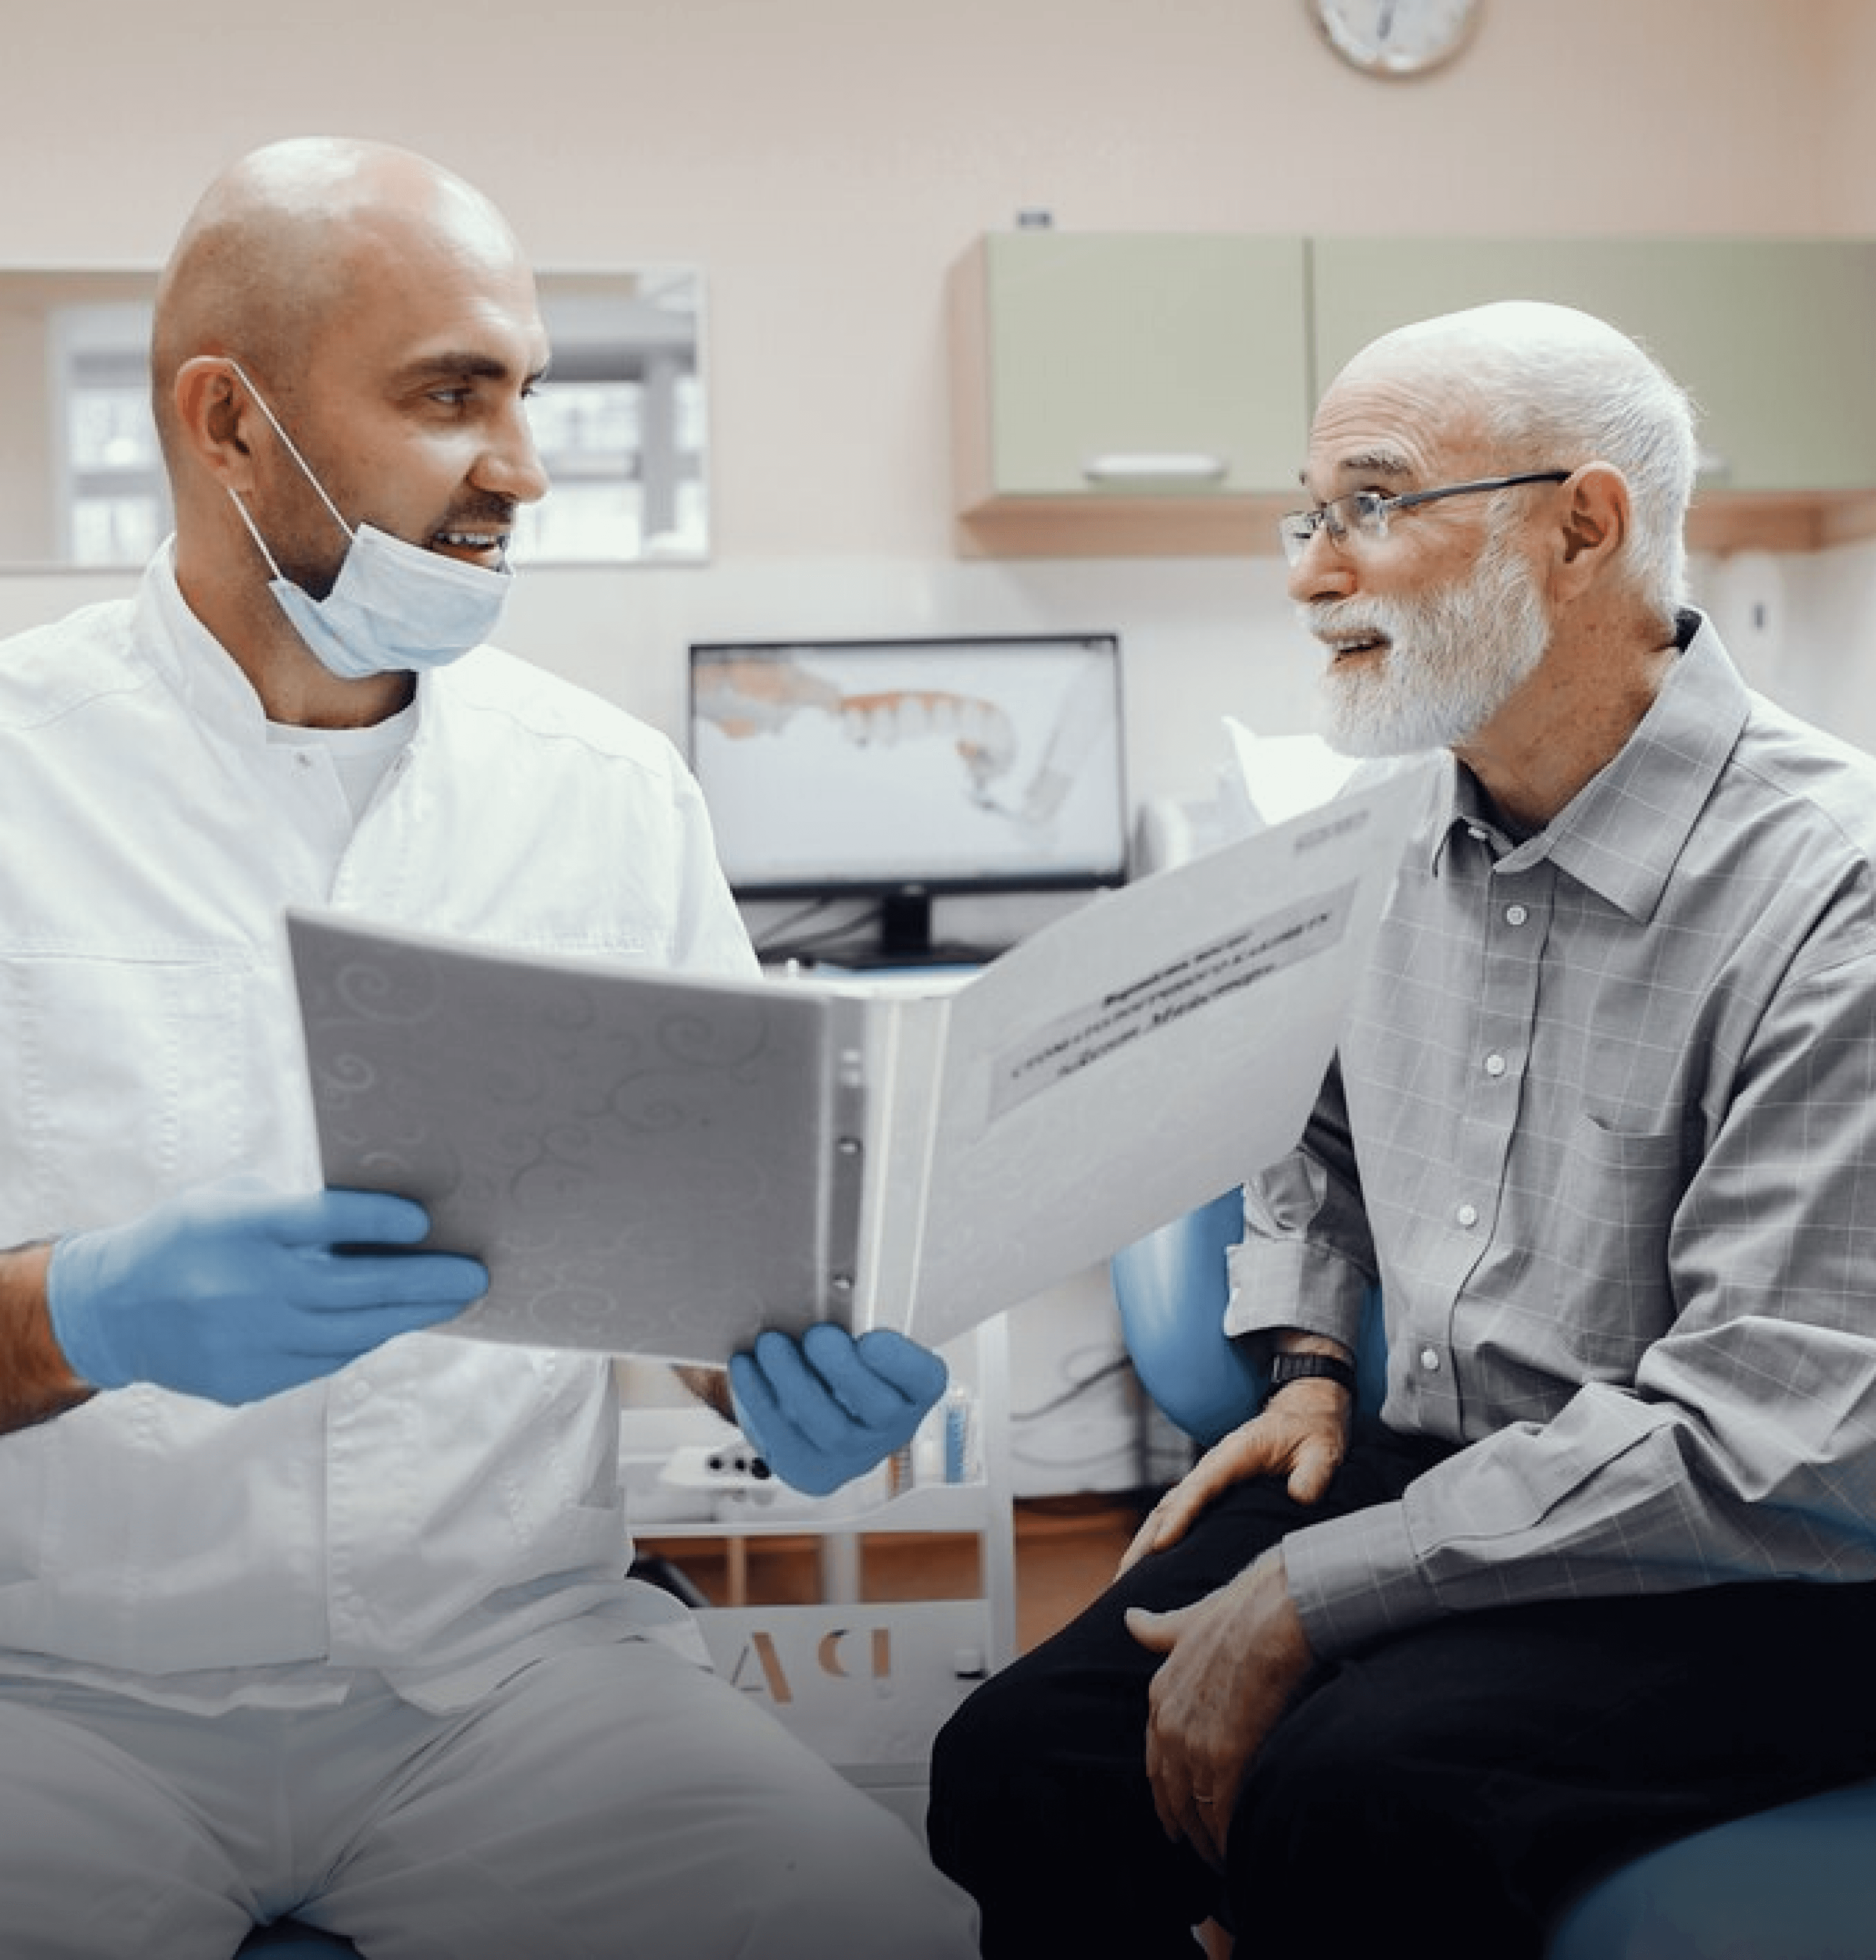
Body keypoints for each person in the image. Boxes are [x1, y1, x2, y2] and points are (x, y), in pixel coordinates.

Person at [0, 136, 978, 1960]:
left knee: (882, 1932)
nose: (520, 467)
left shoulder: (605, 795)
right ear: (226, 421)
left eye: (526, 394)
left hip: (514, 1680)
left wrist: (790, 1374)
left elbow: (714, 1268)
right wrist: (78, 1313)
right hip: (52, 1697)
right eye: (452, 396)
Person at [926, 299, 1876, 1958]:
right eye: (1305, 517)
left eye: (1370, 504)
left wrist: (1315, 1589)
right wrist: (1309, 1362)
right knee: (1011, 1768)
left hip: (1758, 1560)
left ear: (1584, 525)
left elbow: (1769, 1439)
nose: (1309, 572)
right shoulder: (1378, 839)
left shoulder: (1834, 896)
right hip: (1442, 1466)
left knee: (1354, 1807)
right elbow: (1318, 1142)